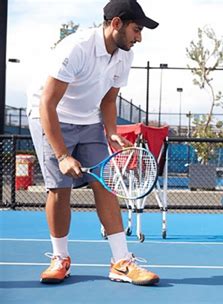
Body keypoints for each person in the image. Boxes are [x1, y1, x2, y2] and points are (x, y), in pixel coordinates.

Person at [27, 0, 160, 286]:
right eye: (136, 29)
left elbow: (109, 99)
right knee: (60, 189)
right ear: (116, 24)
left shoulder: (124, 55)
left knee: (105, 183)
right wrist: (62, 155)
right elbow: (47, 104)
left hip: (89, 121)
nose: (139, 37)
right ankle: (60, 258)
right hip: (51, 115)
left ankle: (121, 261)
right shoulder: (76, 48)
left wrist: (111, 130)